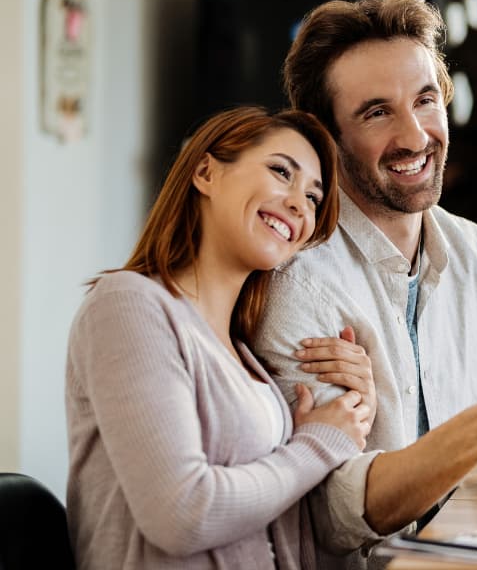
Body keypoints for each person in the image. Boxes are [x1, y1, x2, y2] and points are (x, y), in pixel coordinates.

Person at [251, 0, 477, 568]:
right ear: (324, 136)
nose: (416, 137)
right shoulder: (296, 280)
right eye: (377, 112)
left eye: (424, 100)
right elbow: (332, 510)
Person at [65, 106, 375, 569]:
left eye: (313, 198)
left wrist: (354, 408)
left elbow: (278, 513)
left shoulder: (244, 355)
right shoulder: (128, 305)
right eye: (280, 172)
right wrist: (318, 444)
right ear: (206, 172)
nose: (298, 204)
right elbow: (182, 513)